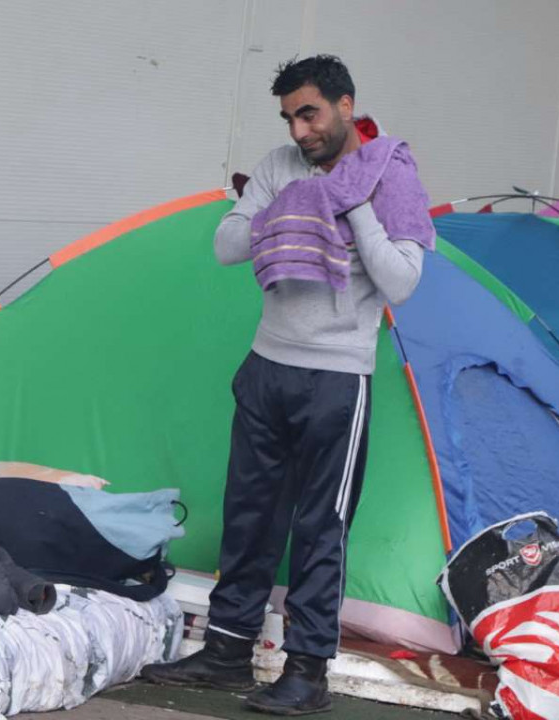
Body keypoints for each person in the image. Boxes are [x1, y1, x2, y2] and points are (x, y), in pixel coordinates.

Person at [141, 55, 435, 716]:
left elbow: (401, 283)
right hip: (266, 367)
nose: (300, 131)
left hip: (337, 378)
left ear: (344, 105)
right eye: (289, 118)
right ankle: (224, 655)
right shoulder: (279, 168)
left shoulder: (388, 174)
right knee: (248, 517)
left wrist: (353, 209)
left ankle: (306, 673)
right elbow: (226, 245)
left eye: (310, 114)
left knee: (320, 528)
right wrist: (296, 204)